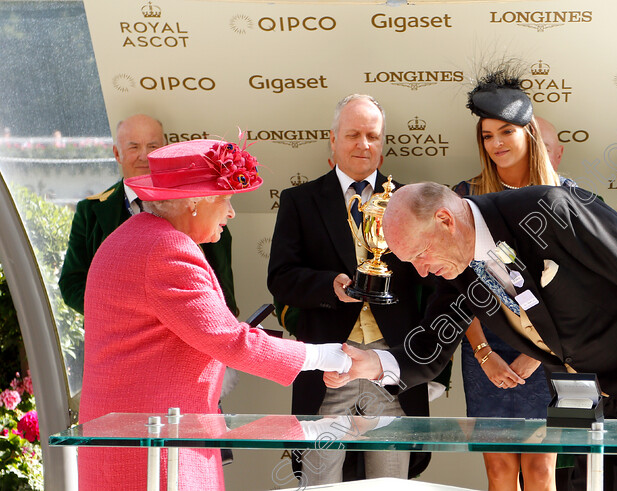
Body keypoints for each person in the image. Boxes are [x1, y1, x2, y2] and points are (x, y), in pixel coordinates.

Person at [326, 181, 617, 491]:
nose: (422, 270)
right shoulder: (458, 267)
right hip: (577, 395)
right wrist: (374, 365)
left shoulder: (553, 210)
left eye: (422, 254)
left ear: (446, 219)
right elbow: (433, 343)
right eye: (412, 264)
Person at [77, 138, 353, 490]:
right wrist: (323, 356)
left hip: (129, 444)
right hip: (159, 451)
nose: (231, 212)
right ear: (193, 201)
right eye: (225, 198)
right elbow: (232, 341)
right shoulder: (167, 249)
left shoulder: (127, 238)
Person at [267, 94, 431, 485]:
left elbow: (433, 282)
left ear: (383, 142)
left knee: (390, 483)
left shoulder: (411, 201)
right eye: (353, 134)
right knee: (320, 481)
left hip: (391, 363)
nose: (364, 144)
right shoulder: (300, 201)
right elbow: (281, 277)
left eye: (372, 136)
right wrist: (329, 285)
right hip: (329, 360)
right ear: (333, 139)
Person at [453, 67, 560, 491]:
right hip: (486, 346)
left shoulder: (565, 196)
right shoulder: (463, 197)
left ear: (528, 132)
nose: (496, 144)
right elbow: (454, 287)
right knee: (498, 472)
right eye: (486, 136)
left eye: (505, 132)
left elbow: (578, 291)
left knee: (541, 470)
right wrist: (482, 352)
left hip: (553, 350)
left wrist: (540, 353)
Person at [59, 114, 238, 316]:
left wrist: (226, 319)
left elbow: (220, 273)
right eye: (134, 147)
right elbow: (72, 283)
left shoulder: (199, 203)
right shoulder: (90, 211)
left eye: (153, 147)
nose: (144, 156)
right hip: (119, 336)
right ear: (117, 153)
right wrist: (124, 314)